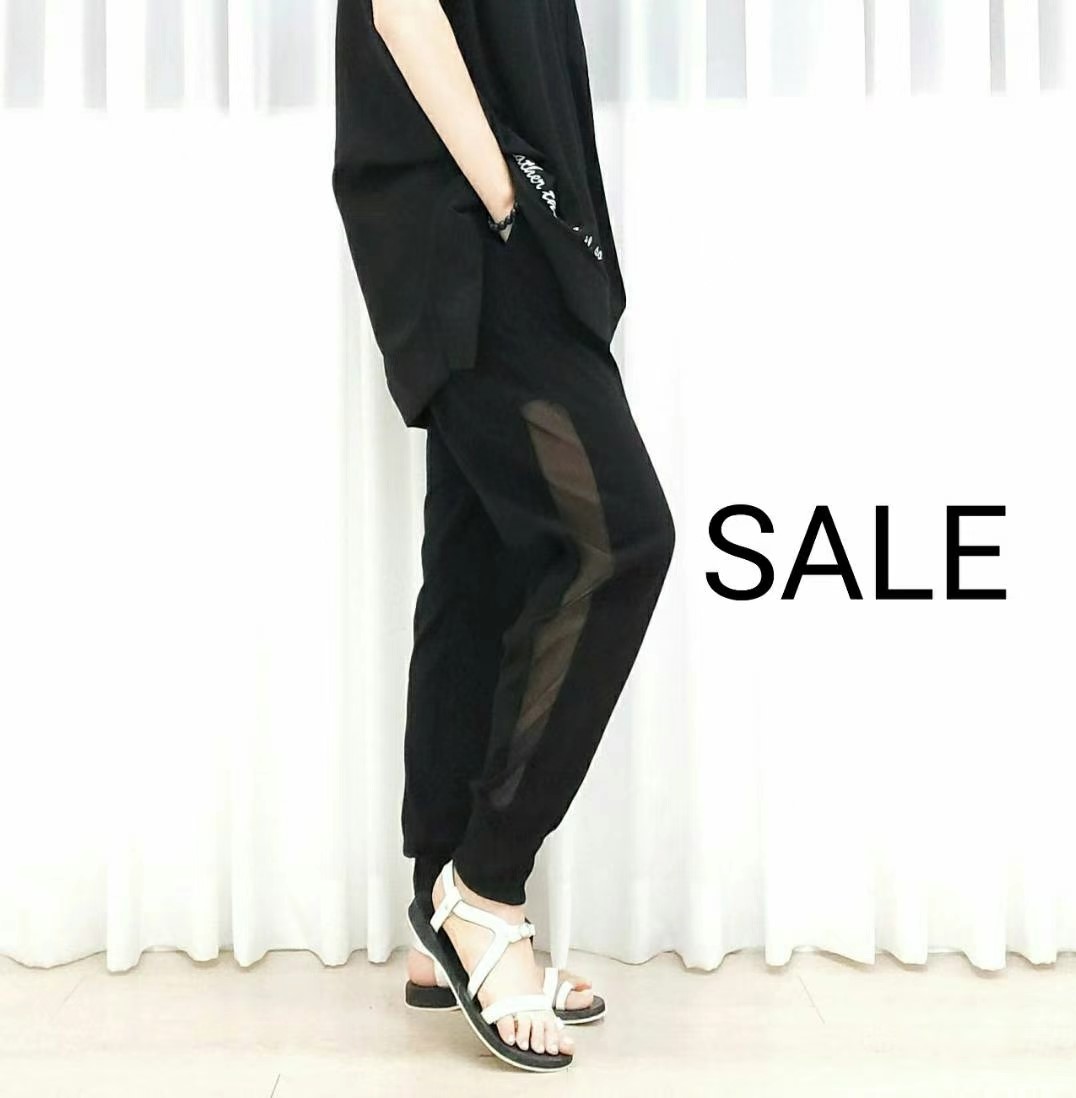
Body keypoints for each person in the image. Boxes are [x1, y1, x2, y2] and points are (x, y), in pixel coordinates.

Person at [332, 0, 676, 1072]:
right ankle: (484, 888)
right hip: (472, 223)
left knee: (478, 555)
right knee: (619, 542)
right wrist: (506, 197)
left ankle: (440, 916)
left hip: (491, 215)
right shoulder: (489, 208)